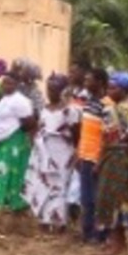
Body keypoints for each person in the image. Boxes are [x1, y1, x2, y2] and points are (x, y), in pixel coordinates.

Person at [95, 71, 128, 255]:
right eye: (108, 87)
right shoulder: (112, 108)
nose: (108, 91)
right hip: (111, 156)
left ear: (124, 91)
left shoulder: (125, 109)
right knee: (110, 199)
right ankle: (117, 241)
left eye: (113, 88)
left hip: (119, 158)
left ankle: (118, 244)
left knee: (115, 199)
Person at [26, 74, 80, 233]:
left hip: (63, 151)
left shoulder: (70, 110)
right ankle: (44, 220)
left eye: (54, 89)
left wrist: (77, 153)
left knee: (60, 184)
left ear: (62, 90)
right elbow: (39, 128)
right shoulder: (44, 109)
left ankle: (59, 223)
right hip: (45, 151)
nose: (51, 93)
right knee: (44, 183)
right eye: (49, 89)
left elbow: (77, 133)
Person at [0, 73, 35, 213]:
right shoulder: (4, 99)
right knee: (1, 173)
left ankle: (13, 206)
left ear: (16, 84)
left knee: (12, 175)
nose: (5, 86)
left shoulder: (20, 101)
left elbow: (30, 122)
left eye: (9, 83)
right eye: (4, 83)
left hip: (13, 143)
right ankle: (0, 205)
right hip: (1, 144)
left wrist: (15, 135)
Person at [74, 68, 108, 242]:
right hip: (85, 157)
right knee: (86, 198)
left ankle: (101, 234)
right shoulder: (88, 102)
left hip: (97, 159)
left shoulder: (106, 104)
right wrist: (79, 154)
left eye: (89, 80)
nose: (86, 83)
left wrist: (100, 160)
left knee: (97, 199)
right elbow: (84, 131)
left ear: (100, 82)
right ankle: (87, 233)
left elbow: (107, 136)